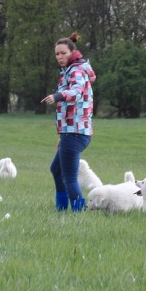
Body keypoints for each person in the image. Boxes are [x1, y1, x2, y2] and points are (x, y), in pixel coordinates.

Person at [41, 32, 96, 212]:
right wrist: (63, 135)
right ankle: (61, 209)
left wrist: (58, 96)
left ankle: (79, 212)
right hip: (71, 132)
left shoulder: (76, 71)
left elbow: (77, 92)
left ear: (72, 52)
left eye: (63, 53)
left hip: (76, 132)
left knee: (69, 177)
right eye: (57, 54)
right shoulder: (70, 71)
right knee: (56, 170)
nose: (59, 57)